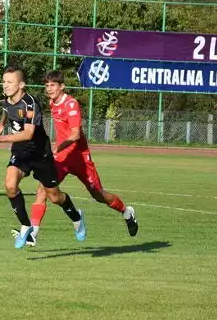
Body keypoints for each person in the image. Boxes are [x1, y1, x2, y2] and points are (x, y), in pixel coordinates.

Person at [14, 70, 138, 247]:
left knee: (98, 195)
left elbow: (75, 134)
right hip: (62, 157)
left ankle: (127, 212)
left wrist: (59, 147)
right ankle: (33, 233)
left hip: (79, 157)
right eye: (47, 85)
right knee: (43, 188)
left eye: (53, 85)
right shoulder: (52, 103)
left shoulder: (71, 104)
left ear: (62, 86)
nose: (49, 89)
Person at [0, 65, 86, 249]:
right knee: (10, 185)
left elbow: (28, 134)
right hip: (20, 153)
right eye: (4, 81)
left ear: (21, 84)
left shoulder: (31, 104)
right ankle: (25, 226)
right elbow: (6, 113)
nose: (5, 85)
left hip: (40, 155)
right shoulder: (6, 100)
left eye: (10, 82)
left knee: (55, 197)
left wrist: (0, 138)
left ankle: (77, 217)